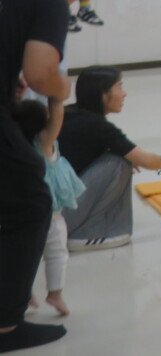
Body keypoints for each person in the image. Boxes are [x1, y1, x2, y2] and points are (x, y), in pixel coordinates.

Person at [0, 0, 94, 352]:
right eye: (75, 0)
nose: (68, 8)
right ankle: (7, 324)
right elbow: (42, 75)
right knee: (32, 200)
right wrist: (61, 86)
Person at [59, 67, 161, 251]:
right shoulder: (96, 125)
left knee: (121, 158)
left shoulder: (71, 113)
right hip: (63, 215)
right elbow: (146, 160)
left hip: (49, 214)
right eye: (119, 87)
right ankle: (85, 234)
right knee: (119, 163)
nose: (124, 93)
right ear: (104, 95)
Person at [11, 94, 83, 319]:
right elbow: (57, 116)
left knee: (21, 256)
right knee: (57, 253)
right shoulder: (43, 143)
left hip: (19, 211)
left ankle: (23, 293)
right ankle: (55, 293)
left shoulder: (13, 146)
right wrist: (56, 95)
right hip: (47, 213)